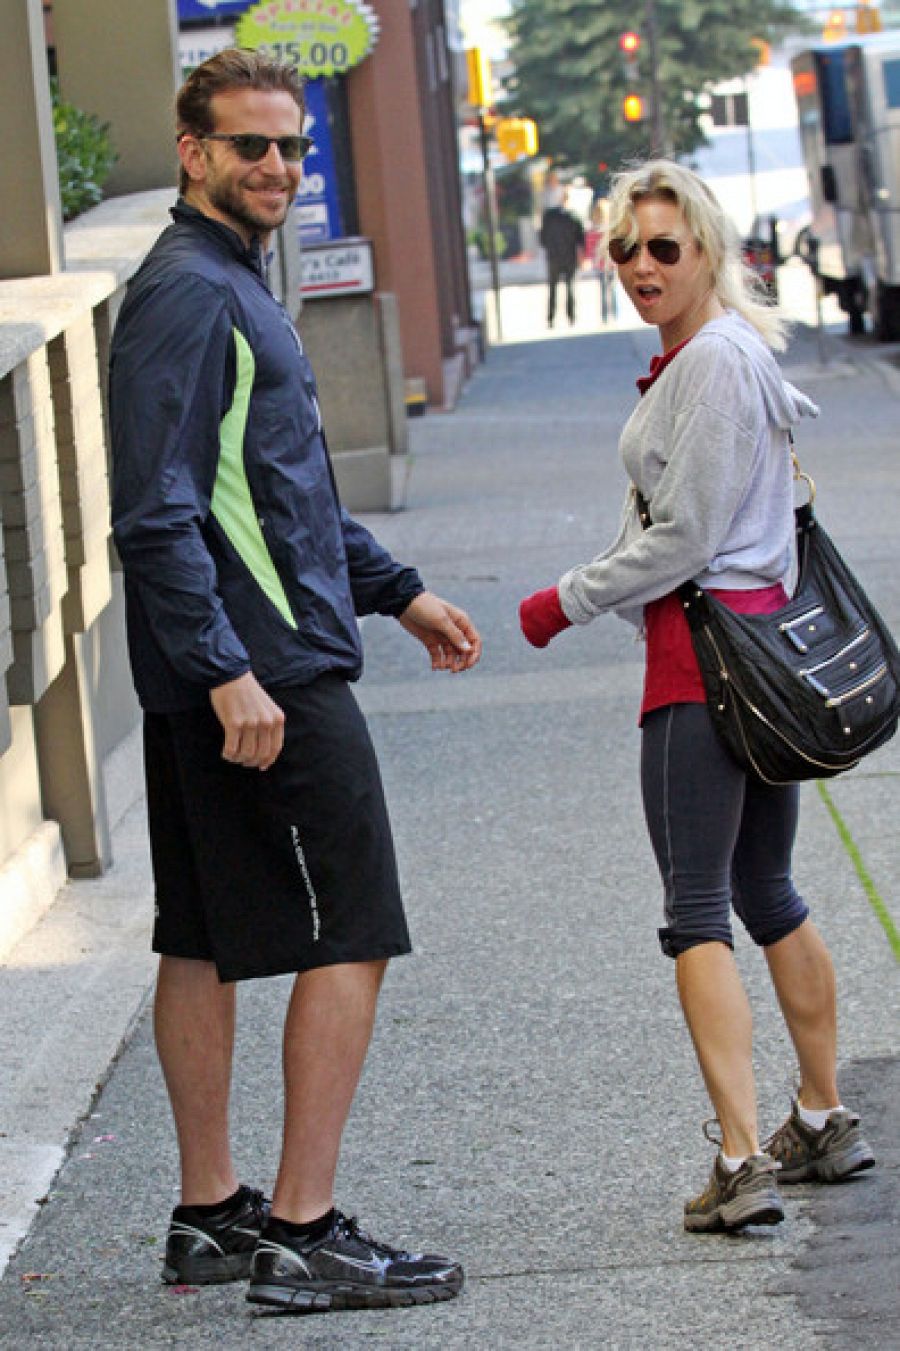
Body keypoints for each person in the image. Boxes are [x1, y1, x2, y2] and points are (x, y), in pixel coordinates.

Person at [109, 48, 481, 1313]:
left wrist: (396, 588)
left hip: (239, 664)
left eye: (291, 147)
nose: (275, 166)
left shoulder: (226, 286)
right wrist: (226, 674)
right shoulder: (187, 294)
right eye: (250, 145)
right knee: (355, 926)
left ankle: (213, 1214)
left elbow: (282, 496)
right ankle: (305, 1228)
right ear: (193, 148)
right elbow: (156, 514)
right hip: (260, 680)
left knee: (204, 938)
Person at [519, 160, 874, 1233]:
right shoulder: (717, 357)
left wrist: (562, 600)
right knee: (768, 887)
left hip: (705, 663)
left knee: (697, 914)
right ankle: (817, 1120)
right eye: (622, 248)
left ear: (709, 250)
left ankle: (740, 1158)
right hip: (755, 657)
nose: (640, 266)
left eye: (663, 248)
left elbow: (687, 538)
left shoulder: (714, 364)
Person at [539, 187, 585, 326]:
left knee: (553, 288)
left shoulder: (549, 215)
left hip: (553, 256)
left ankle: (551, 318)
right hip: (569, 256)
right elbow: (580, 240)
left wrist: (549, 248)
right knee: (570, 287)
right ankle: (571, 317)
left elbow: (542, 237)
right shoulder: (574, 216)